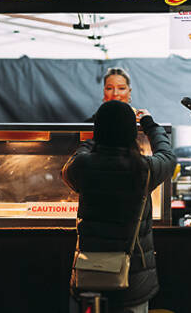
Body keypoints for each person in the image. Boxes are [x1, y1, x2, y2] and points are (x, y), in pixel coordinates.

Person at [63, 100, 176, 312]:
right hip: (132, 284)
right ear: (131, 133)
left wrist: (93, 140)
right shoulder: (144, 169)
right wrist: (149, 123)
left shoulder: (83, 166)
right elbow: (168, 157)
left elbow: (74, 161)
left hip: (88, 276)